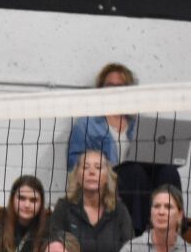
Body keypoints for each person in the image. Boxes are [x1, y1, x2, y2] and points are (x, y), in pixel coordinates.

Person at [68, 62, 180, 230]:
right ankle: (136, 232)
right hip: (109, 183)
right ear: (100, 89)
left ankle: (173, 228)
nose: (115, 90)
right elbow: (73, 165)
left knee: (168, 171)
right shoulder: (86, 125)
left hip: (141, 184)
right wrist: (98, 168)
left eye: (120, 86)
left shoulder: (139, 124)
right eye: (110, 85)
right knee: (134, 171)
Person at [49, 150, 134, 252]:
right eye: (86, 167)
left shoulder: (119, 210)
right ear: (77, 175)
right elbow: (54, 250)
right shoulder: (64, 207)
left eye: (98, 167)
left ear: (108, 177)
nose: (92, 172)